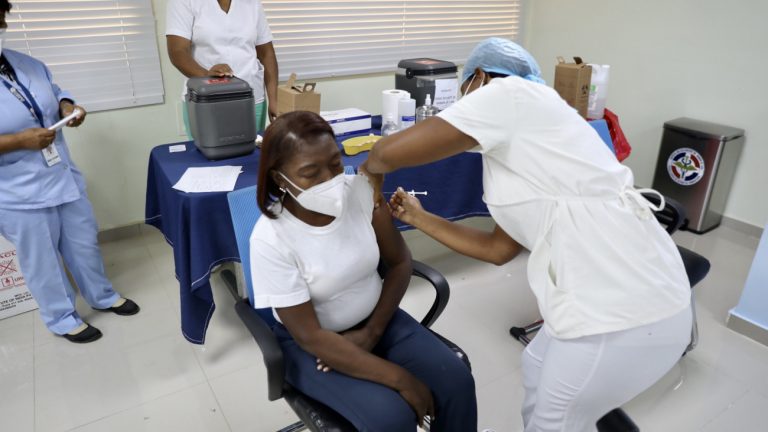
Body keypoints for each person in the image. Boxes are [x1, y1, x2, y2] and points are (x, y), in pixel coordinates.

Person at [362, 37, 693, 431]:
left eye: (464, 90)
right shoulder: (530, 142)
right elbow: (500, 248)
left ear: (480, 78)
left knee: (554, 421)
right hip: (621, 290)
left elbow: (387, 154)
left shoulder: (510, 93)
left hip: (621, 309)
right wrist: (421, 219)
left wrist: (368, 177)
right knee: (536, 366)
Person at [249, 111, 477, 431]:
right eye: (310, 173)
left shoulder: (359, 192)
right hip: (314, 345)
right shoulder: (271, 238)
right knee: (390, 418)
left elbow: (399, 262)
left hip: (379, 319)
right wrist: (402, 380)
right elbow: (310, 335)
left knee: (456, 382)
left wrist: (372, 332)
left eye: (334, 164)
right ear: (278, 179)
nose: (329, 180)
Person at [0, 1, 139, 344]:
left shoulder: (24, 62)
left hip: (61, 174)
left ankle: (102, 296)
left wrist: (67, 106)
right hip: (18, 191)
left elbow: (55, 91)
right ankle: (61, 317)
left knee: (83, 242)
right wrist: (19, 140)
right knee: (42, 259)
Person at [166, 0, 278, 134]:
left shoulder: (252, 3)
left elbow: (266, 53)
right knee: (209, 151)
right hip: (206, 101)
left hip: (252, 99)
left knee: (252, 153)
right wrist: (207, 76)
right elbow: (177, 51)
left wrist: (274, 100)